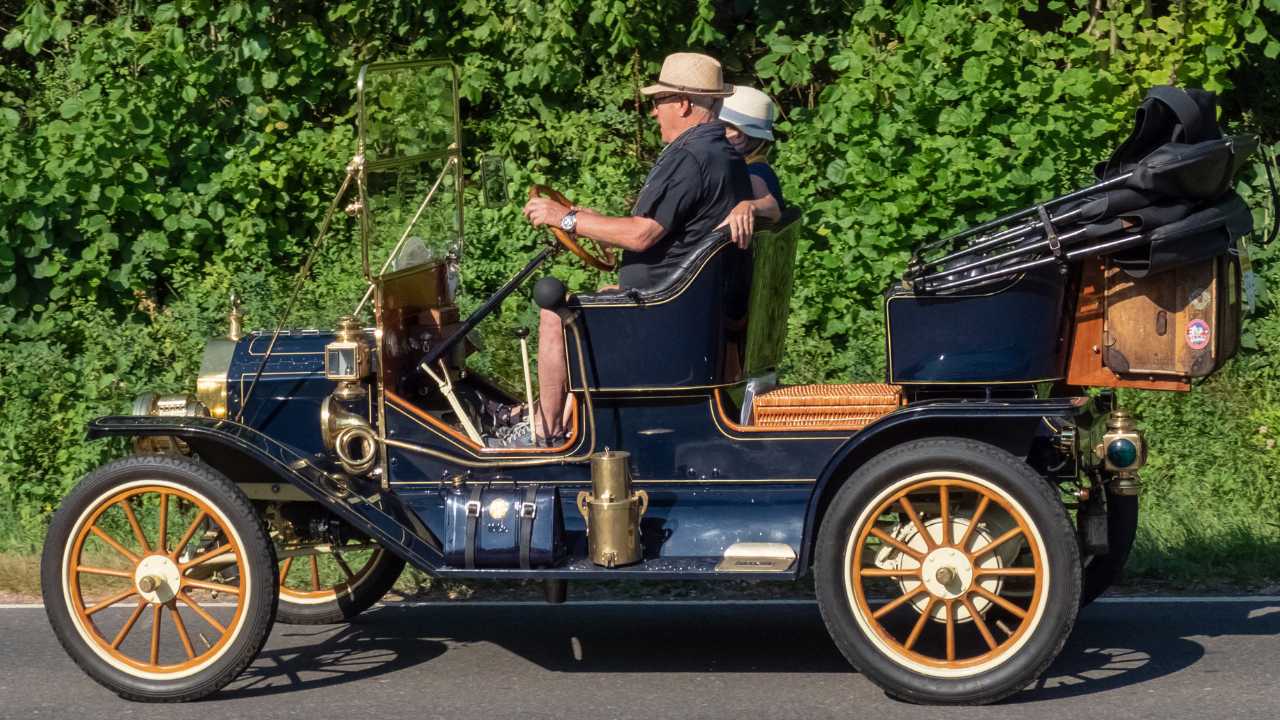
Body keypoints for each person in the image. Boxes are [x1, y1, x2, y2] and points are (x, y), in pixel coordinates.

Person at [506, 52, 752, 446]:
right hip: (683, 313)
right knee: (596, 298)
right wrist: (586, 222)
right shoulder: (724, 155)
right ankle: (556, 422)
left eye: (659, 101)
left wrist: (565, 219)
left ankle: (545, 434)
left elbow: (642, 235)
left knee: (554, 314)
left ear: (683, 103)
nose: (653, 112)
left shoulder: (691, 157)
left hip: (664, 318)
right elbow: (670, 234)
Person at [716, 86, 784, 248]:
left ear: (737, 136)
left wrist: (749, 206)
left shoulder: (753, 174)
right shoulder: (758, 166)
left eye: (717, 126)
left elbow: (773, 209)